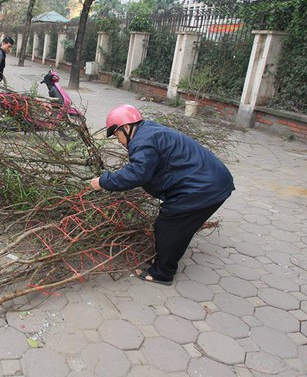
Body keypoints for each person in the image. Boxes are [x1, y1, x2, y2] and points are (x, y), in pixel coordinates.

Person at [89, 104, 235, 286]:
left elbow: (137, 173)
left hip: (204, 188)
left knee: (169, 225)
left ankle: (163, 273)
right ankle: (163, 261)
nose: (118, 141)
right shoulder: (147, 132)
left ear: (126, 128)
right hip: (208, 182)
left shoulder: (142, 141)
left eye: (117, 135)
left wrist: (104, 181)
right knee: (177, 225)